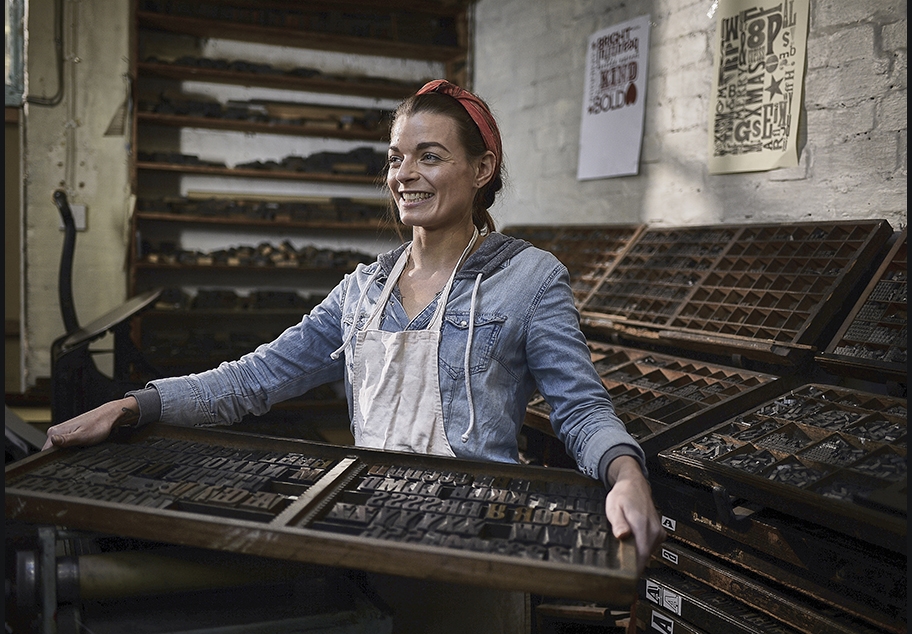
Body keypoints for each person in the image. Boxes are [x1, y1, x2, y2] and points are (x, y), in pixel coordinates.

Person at [43, 79, 665, 581]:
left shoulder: (528, 279)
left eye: (431, 156)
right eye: (396, 158)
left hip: (472, 547)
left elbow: (579, 409)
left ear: (482, 169)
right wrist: (136, 404)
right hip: (360, 529)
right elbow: (256, 378)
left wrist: (625, 474)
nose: (404, 175)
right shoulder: (362, 291)